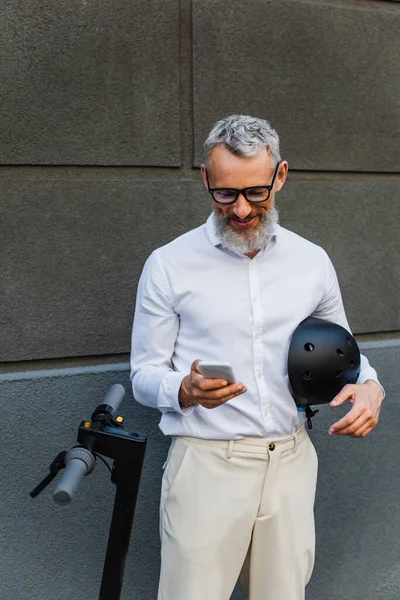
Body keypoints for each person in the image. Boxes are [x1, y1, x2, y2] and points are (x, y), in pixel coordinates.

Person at [130, 115, 384, 600]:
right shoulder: (168, 265)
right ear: (206, 179)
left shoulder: (312, 261)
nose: (242, 209)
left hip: (291, 462)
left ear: (281, 176)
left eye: (256, 192)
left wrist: (371, 387)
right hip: (208, 467)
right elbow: (143, 375)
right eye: (225, 194)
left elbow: (347, 351)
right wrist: (183, 389)